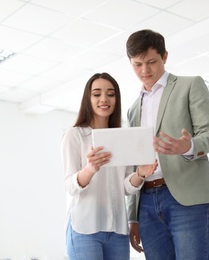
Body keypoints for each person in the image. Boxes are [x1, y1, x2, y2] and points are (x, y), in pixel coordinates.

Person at [125, 29, 209, 260]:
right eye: (137, 64)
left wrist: (188, 147)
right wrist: (133, 217)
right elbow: (132, 164)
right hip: (147, 203)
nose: (145, 71)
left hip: (186, 199)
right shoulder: (132, 110)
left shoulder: (190, 86)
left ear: (165, 56)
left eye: (151, 62)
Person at [61, 72, 158, 260]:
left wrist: (140, 173)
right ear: (88, 99)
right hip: (85, 229)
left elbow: (126, 187)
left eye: (110, 94)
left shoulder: (122, 137)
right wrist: (90, 169)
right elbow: (70, 186)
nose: (104, 99)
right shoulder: (75, 135)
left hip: (117, 231)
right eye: (97, 94)